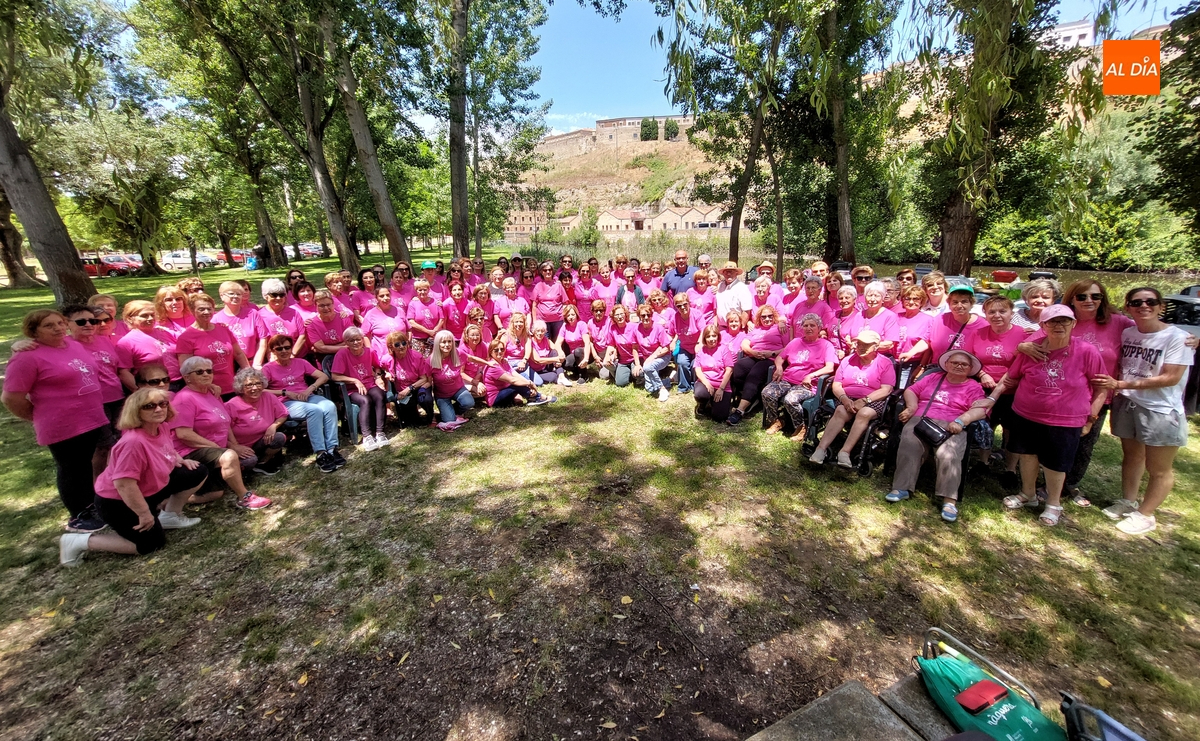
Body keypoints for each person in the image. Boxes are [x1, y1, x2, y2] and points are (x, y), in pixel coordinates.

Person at [980, 305, 1105, 527]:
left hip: (1065, 419)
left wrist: (1091, 418)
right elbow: (1011, 377)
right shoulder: (1031, 349)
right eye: (1052, 322)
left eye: (1064, 321)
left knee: (1055, 462)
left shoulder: (1087, 351)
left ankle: (1053, 504)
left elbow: (1101, 387)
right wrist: (993, 397)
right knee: (1027, 455)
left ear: (1073, 324)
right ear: (1043, 326)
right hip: (1026, 413)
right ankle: (1027, 494)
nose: (1059, 325)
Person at [59, 388, 210, 566]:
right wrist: (144, 513)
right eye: (149, 406)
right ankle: (79, 542)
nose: (159, 409)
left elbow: (165, 448)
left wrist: (179, 459)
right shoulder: (133, 443)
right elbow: (124, 485)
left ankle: (170, 516)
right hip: (118, 502)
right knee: (151, 544)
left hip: (148, 489)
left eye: (162, 404)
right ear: (136, 411)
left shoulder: (160, 426)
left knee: (197, 471)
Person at [1093, 287, 1195, 535]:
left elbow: (1171, 378)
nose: (1144, 306)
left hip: (1161, 410)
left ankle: (1146, 514)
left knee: (1159, 468)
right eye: (1137, 302)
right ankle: (1128, 501)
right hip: (1128, 403)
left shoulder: (1178, 337)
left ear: (1161, 306)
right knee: (1132, 457)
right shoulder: (1128, 332)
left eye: (1151, 301)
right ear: (1128, 307)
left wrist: (1120, 385)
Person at [2, 309, 111, 533]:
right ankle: (78, 515)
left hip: (89, 417)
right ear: (34, 331)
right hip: (61, 423)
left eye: (60, 323)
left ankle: (90, 504)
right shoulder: (27, 356)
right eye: (49, 325)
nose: (58, 328)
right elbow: (11, 398)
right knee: (71, 468)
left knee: (84, 464)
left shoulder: (72, 344)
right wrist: (38, 415)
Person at [1054, 280, 1136, 506]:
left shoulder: (1119, 323)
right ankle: (1051, 481)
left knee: (1085, 443)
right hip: (1063, 394)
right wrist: (1025, 345)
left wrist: (1189, 339)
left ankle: (1069, 484)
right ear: (1072, 299)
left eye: (1095, 296)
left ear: (1102, 299)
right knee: (1060, 442)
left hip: (1099, 396)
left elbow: (1150, 331)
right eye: (1082, 296)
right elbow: (1039, 340)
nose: (1089, 301)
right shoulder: (1064, 320)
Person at [885, 351, 988, 522]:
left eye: (964, 364)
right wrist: (912, 407)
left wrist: (962, 421)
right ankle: (901, 488)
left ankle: (949, 501)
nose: (959, 366)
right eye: (954, 362)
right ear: (947, 364)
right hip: (922, 418)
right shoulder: (933, 377)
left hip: (953, 423)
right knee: (910, 444)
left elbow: (981, 409)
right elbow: (911, 390)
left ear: (970, 369)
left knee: (948, 455)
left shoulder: (973, 387)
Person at [170, 356, 271, 510]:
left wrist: (234, 445)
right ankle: (244, 497)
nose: (206, 374)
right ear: (187, 377)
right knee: (229, 456)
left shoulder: (212, 393)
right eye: (199, 372)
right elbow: (183, 434)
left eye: (209, 371)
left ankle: (168, 501)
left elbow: (225, 421)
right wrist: (219, 448)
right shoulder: (184, 399)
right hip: (190, 451)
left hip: (214, 448)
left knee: (215, 494)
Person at [809, 330, 896, 468]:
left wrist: (865, 400)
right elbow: (837, 385)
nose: (860, 347)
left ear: (875, 346)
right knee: (841, 411)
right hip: (847, 397)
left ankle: (845, 452)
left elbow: (886, 389)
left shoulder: (885, 363)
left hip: (873, 399)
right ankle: (821, 449)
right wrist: (843, 398)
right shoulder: (847, 360)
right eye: (859, 343)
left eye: (865, 345)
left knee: (864, 413)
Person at [262, 334, 344, 474]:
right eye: (279, 348)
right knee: (314, 410)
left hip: (306, 397)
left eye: (287, 347)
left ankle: (332, 449)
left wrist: (310, 389)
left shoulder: (300, 362)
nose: (284, 351)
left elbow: (324, 376)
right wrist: (285, 392)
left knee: (329, 406)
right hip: (286, 402)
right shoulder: (268, 368)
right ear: (273, 351)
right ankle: (321, 453)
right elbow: (261, 390)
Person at [965, 295, 1025, 488]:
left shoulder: (1022, 334)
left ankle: (1010, 469)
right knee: (986, 425)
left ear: (1011, 313)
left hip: (1013, 389)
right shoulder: (978, 333)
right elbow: (970, 359)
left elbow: (1023, 363)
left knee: (1012, 430)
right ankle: (983, 462)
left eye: (1002, 311)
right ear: (985, 314)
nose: (997, 315)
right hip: (983, 387)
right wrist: (982, 374)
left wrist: (1006, 382)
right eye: (992, 312)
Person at [762, 313, 838, 439]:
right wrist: (779, 367)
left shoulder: (826, 345)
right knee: (767, 393)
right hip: (788, 379)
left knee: (790, 399)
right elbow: (780, 357)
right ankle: (776, 421)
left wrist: (811, 375)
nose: (808, 328)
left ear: (819, 328)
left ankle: (800, 426)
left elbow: (830, 367)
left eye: (812, 325)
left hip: (808, 384)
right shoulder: (795, 342)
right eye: (806, 325)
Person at [176, 293, 249, 399]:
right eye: (201, 309)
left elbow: (238, 354)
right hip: (207, 390)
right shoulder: (186, 337)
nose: (206, 312)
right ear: (192, 310)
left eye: (209, 309)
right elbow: (185, 369)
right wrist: (208, 386)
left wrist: (249, 374)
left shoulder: (223, 329)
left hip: (232, 387)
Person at [331, 327, 389, 450]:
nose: (356, 342)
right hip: (351, 388)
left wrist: (378, 377)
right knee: (365, 400)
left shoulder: (370, 352)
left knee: (380, 396)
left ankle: (380, 432)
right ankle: (367, 436)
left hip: (369, 383)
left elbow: (377, 366)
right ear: (346, 342)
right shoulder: (342, 354)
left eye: (358, 339)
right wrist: (355, 380)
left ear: (363, 339)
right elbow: (335, 376)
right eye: (351, 340)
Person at [727, 305, 787, 425]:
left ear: (774, 316)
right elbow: (744, 344)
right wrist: (753, 352)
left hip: (771, 359)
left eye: (770, 316)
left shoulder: (780, 328)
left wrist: (772, 353)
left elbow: (788, 348)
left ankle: (740, 411)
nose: (767, 319)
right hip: (754, 356)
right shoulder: (755, 329)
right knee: (739, 367)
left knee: (755, 374)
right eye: (764, 317)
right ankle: (752, 396)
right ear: (759, 318)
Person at [225, 368, 289, 476]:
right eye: (249, 385)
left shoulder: (269, 397)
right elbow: (223, 431)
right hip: (240, 447)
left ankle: (262, 463)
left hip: (260, 442)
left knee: (279, 438)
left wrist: (273, 426)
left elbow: (283, 414)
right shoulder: (231, 405)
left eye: (258, 383)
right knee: (249, 461)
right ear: (241, 387)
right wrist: (234, 446)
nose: (254, 388)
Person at [380, 330, 435, 428]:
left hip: (418, 387)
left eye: (404, 343)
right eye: (397, 344)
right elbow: (380, 367)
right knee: (412, 424)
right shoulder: (387, 359)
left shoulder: (416, 356)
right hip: (401, 392)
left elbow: (424, 379)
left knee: (425, 399)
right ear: (391, 347)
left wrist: (409, 389)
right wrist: (387, 372)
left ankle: (431, 416)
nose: (401, 346)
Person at [119, 300, 182, 384]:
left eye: (152, 315)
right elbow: (123, 372)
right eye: (144, 316)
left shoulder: (165, 332)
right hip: (153, 385)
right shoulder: (126, 342)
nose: (150, 318)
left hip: (181, 382)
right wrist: (138, 389)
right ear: (129, 318)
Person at [480, 338, 556, 408]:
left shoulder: (503, 362)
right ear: (491, 352)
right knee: (515, 384)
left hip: (504, 391)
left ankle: (533, 397)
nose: (500, 352)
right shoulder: (493, 366)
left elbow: (515, 374)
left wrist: (528, 383)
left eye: (502, 349)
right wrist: (530, 383)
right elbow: (512, 380)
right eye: (496, 350)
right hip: (495, 399)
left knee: (522, 377)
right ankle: (537, 397)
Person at [428, 330, 475, 430]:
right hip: (442, 395)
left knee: (469, 402)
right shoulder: (430, 361)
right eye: (443, 342)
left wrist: (488, 363)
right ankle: (448, 412)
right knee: (450, 420)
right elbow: (428, 381)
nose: (447, 345)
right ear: (437, 344)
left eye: (449, 341)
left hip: (458, 389)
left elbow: (471, 358)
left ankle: (454, 411)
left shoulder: (458, 353)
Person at [838, 281, 899, 355]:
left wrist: (866, 347)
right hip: (858, 356)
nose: (872, 299)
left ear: (883, 298)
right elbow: (849, 336)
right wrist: (849, 341)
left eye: (876, 296)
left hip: (878, 357)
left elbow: (889, 344)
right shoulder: (859, 315)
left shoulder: (889, 316)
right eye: (869, 295)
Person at [256, 279, 307, 363]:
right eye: (274, 295)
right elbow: (262, 341)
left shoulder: (294, 313)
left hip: (298, 357)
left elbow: (302, 336)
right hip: (273, 359)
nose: (278, 298)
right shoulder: (260, 315)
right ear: (265, 296)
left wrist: (291, 355)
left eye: (281, 295)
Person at [213, 281, 264, 365]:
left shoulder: (253, 313)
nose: (235, 296)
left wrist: (257, 363)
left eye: (238, 294)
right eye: (231, 293)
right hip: (229, 365)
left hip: (253, 363)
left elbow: (262, 339)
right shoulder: (215, 319)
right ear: (222, 296)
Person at [927, 285, 983, 360]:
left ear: (971, 304)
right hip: (938, 366)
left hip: (967, 367)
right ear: (949, 304)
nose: (959, 306)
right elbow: (926, 343)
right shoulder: (939, 320)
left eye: (964, 302)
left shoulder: (983, 326)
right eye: (955, 302)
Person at [630, 305, 673, 401]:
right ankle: (670, 380)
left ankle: (662, 390)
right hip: (647, 359)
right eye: (643, 315)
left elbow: (666, 348)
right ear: (639, 316)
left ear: (651, 315)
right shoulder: (636, 329)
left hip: (663, 356)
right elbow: (635, 348)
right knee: (650, 389)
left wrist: (652, 357)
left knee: (648, 367)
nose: (646, 317)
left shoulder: (658, 328)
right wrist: (637, 364)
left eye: (648, 315)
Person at [693, 326, 734, 422]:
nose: (711, 339)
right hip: (705, 382)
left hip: (722, 385)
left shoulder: (724, 349)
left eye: (714, 336)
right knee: (700, 395)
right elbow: (698, 370)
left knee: (719, 418)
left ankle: (713, 402)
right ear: (704, 338)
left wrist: (721, 389)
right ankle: (703, 404)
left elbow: (729, 370)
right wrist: (707, 384)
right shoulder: (701, 350)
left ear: (718, 336)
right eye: (708, 336)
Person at [669, 293, 704, 394]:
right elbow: (671, 333)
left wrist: (699, 343)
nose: (682, 307)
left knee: (694, 364)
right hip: (684, 346)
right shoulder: (675, 318)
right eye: (679, 306)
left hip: (697, 345)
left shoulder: (697, 314)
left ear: (689, 303)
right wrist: (673, 342)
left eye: (685, 304)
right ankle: (684, 387)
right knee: (682, 362)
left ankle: (695, 385)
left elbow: (703, 330)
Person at [407, 279, 445, 357]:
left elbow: (442, 319)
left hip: (433, 337)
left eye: (425, 290)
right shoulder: (413, 303)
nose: (422, 292)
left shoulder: (436, 302)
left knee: (432, 360)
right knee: (418, 360)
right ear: (416, 291)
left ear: (428, 290)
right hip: (418, 339)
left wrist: (434, 331)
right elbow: (411, 322)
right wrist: (427, 331)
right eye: (420, 290)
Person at [530, 320, 572, 386]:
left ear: (545, 332)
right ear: (534, 332)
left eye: (542, 331)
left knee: (554, 351)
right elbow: (537, 360)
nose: (540, 333)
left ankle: (562, 377)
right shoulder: (530, 342)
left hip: (546, 367)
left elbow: (556, 348)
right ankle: (558, 377)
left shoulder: (546, 340)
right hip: (536, 371)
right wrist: (556, 359)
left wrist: (561, 356)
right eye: (538, 331)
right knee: (553, 376)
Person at [558, 305, 590, 383]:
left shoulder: (581, 324)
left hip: (585, 352)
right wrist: (560, 351)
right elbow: (557, 343)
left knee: (578, 351)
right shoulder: (564, 327)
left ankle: (584, 375)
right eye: (568, 315)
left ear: (576, 315)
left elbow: (587, 342)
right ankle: (577, 371)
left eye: (573, 314)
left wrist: (586, 358)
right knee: (565, 364)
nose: (571, 317)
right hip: (573, 354)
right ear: (565, 317)